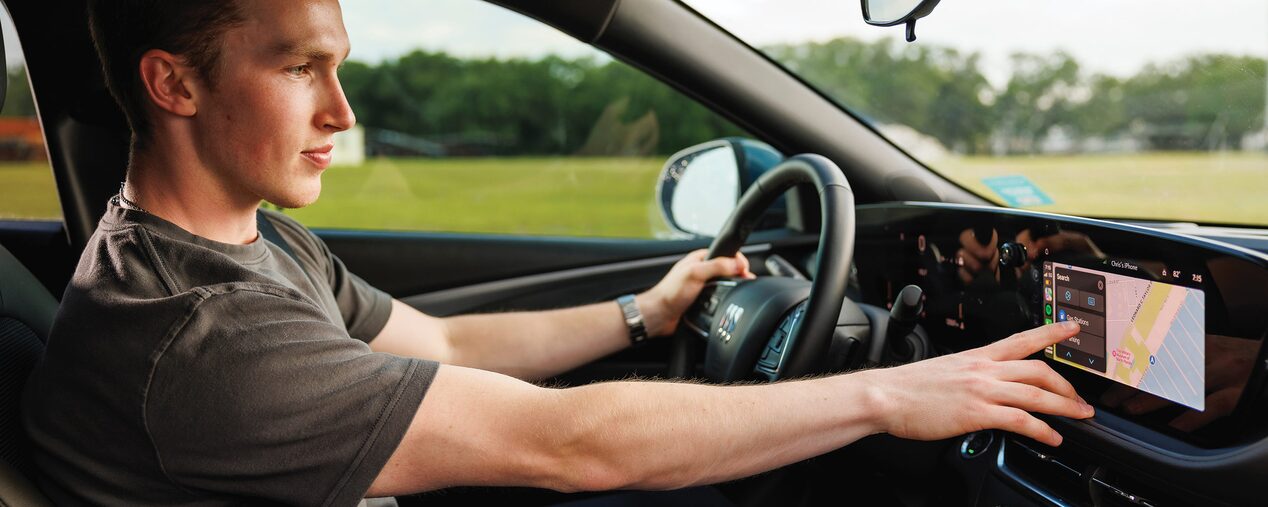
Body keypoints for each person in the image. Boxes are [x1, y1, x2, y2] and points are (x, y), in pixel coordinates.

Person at [21, 0, 1094, 505]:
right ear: (174, 83)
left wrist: (646, 313)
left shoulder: (241, 244)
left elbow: (443, 343)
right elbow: (569, 444)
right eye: (301, 68)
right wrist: (885, 393)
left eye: (337, 68)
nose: (342, 111)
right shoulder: (201, 336)